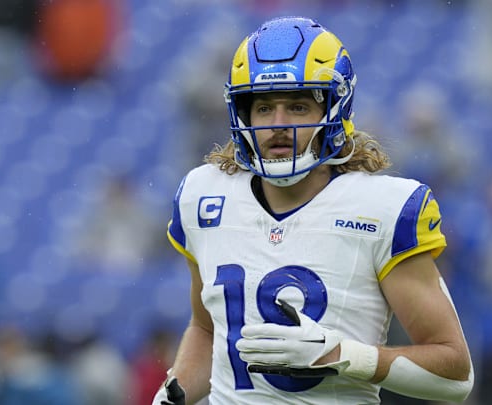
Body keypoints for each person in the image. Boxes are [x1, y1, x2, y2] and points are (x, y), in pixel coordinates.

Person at [154, 16, 474, 404]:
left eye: (298, 106)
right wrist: (174, 395)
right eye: (264, 107)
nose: (278, 125)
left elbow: (456, 375)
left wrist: (341, 356)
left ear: (333, 112)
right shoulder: (204, 195)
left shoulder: (382, 208)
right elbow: (208, 330)